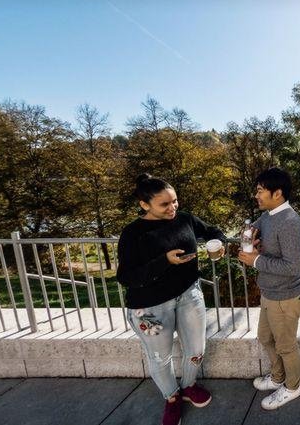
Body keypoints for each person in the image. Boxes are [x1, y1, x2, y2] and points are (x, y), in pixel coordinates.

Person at [117, 173, 228, 425]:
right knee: (160, 357)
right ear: (144, 205)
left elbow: (212, 230)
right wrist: (164, 261)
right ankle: (171, 397)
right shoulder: (133, 234)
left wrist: (219, 243)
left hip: (189, 294)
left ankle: (188, 385)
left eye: (175, 201)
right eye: (164, 204)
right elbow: (126, 276)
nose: (173, 208)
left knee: (197, 348)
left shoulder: (185, 219)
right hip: (150, 308)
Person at [237, 167, 300, 411]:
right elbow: (251, 231)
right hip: (269, 294)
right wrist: (248, 238)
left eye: (260, 191)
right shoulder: (268, 215)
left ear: (277, 193)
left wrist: (255, 260)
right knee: (265, 338)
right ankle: (278, 377)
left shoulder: (289, 222)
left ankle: (292, 387)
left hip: (286, 298)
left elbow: (292, 267)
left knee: (286, 346)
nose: (256, 195)